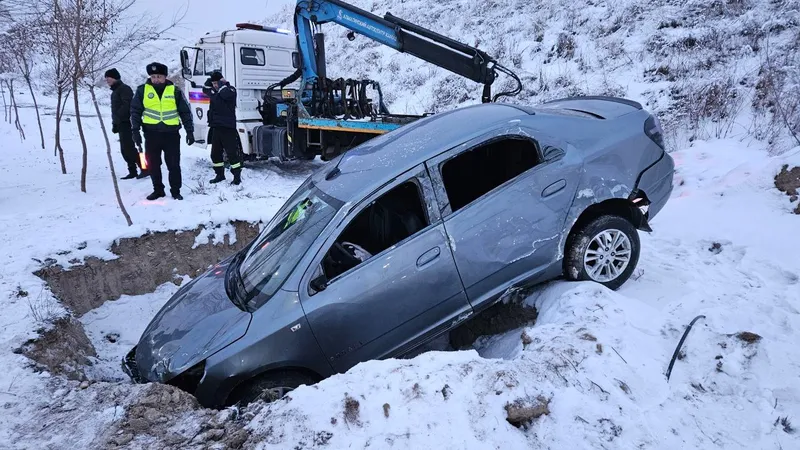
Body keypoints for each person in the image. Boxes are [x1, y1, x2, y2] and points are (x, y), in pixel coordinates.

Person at [130, 62, 195, 201]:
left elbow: (185, 112)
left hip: (171, 135)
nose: (156, 79)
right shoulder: (142, 91)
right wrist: (135, 130)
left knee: (173, 165)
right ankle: (158, 190)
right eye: (153, 76)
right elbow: (135, 112)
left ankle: (176, 191)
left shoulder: (175, 91)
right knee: (153, 164)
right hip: (151, 134)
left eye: (159, 76)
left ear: (165, 77)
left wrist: (190, 131)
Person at [105, 68, 148, 180]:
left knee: (132, 148)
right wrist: (115, 123)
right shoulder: (115, 91)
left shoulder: (124, 89)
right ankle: (132, 171)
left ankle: (145, 168)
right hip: (121, 123)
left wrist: (119, 117)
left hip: (129, 123)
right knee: (125, 149)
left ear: (115, 77)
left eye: (108, 78)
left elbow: (127, 105)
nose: (107, 80)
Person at [202, 71, 242, 185]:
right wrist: (210, 81)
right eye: (213, 83)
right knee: (215, 153)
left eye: (216, 83)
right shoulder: (214, 91)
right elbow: (205, 89)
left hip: (228, 127)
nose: (214, 85)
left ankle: (237, 176)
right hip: (216, 127)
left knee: (232, 154)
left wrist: (221, 84)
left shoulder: (230, 90)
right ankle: (219, 175)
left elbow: (225, 94)